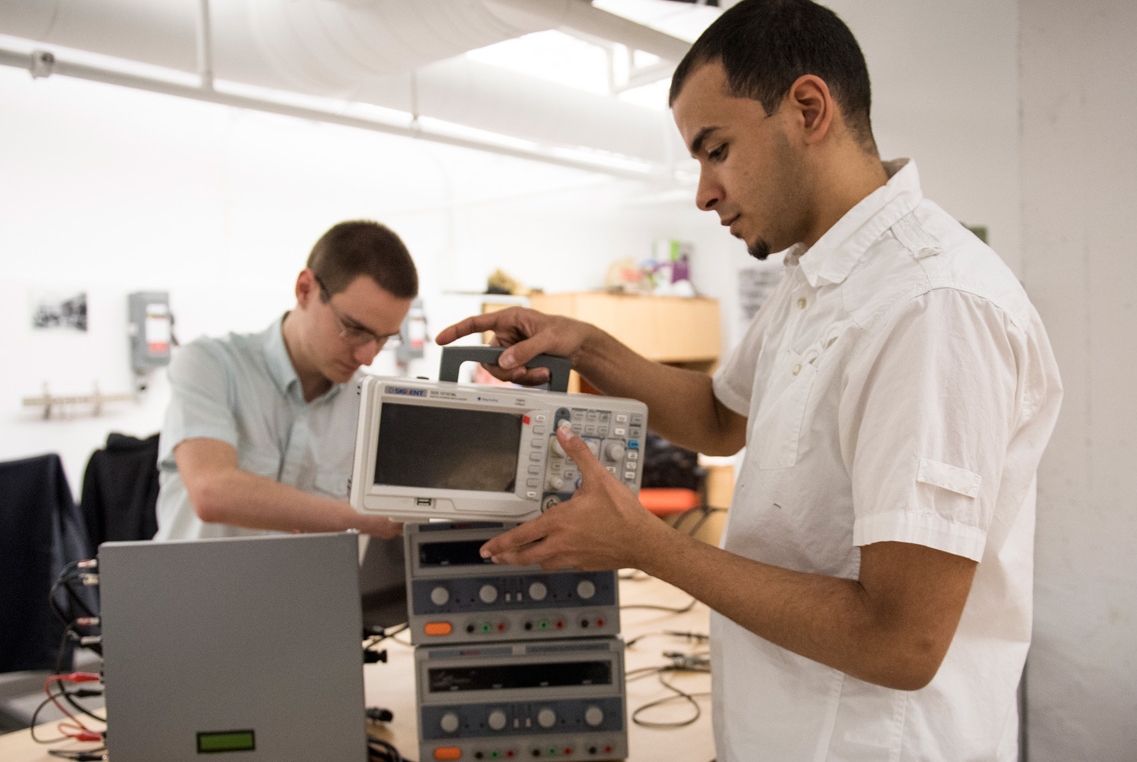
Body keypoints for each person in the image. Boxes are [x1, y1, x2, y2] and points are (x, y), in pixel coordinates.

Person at [434, 1, 1063, 760]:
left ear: (806, 108)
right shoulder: (818, 274)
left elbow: (901, 641)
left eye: (716, 149)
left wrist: (649, 546)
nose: (703, 192)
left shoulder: (932, 307)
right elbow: (718, 417)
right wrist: (587, 345)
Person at [154, 220, 416, 541]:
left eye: (383, 339)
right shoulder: (208, 364)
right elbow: (212, 491)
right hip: (196, 590)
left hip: (302, 591)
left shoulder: (370, 405)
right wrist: (361, 518)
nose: (367, 356)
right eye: (354, 329)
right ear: (305, 289)